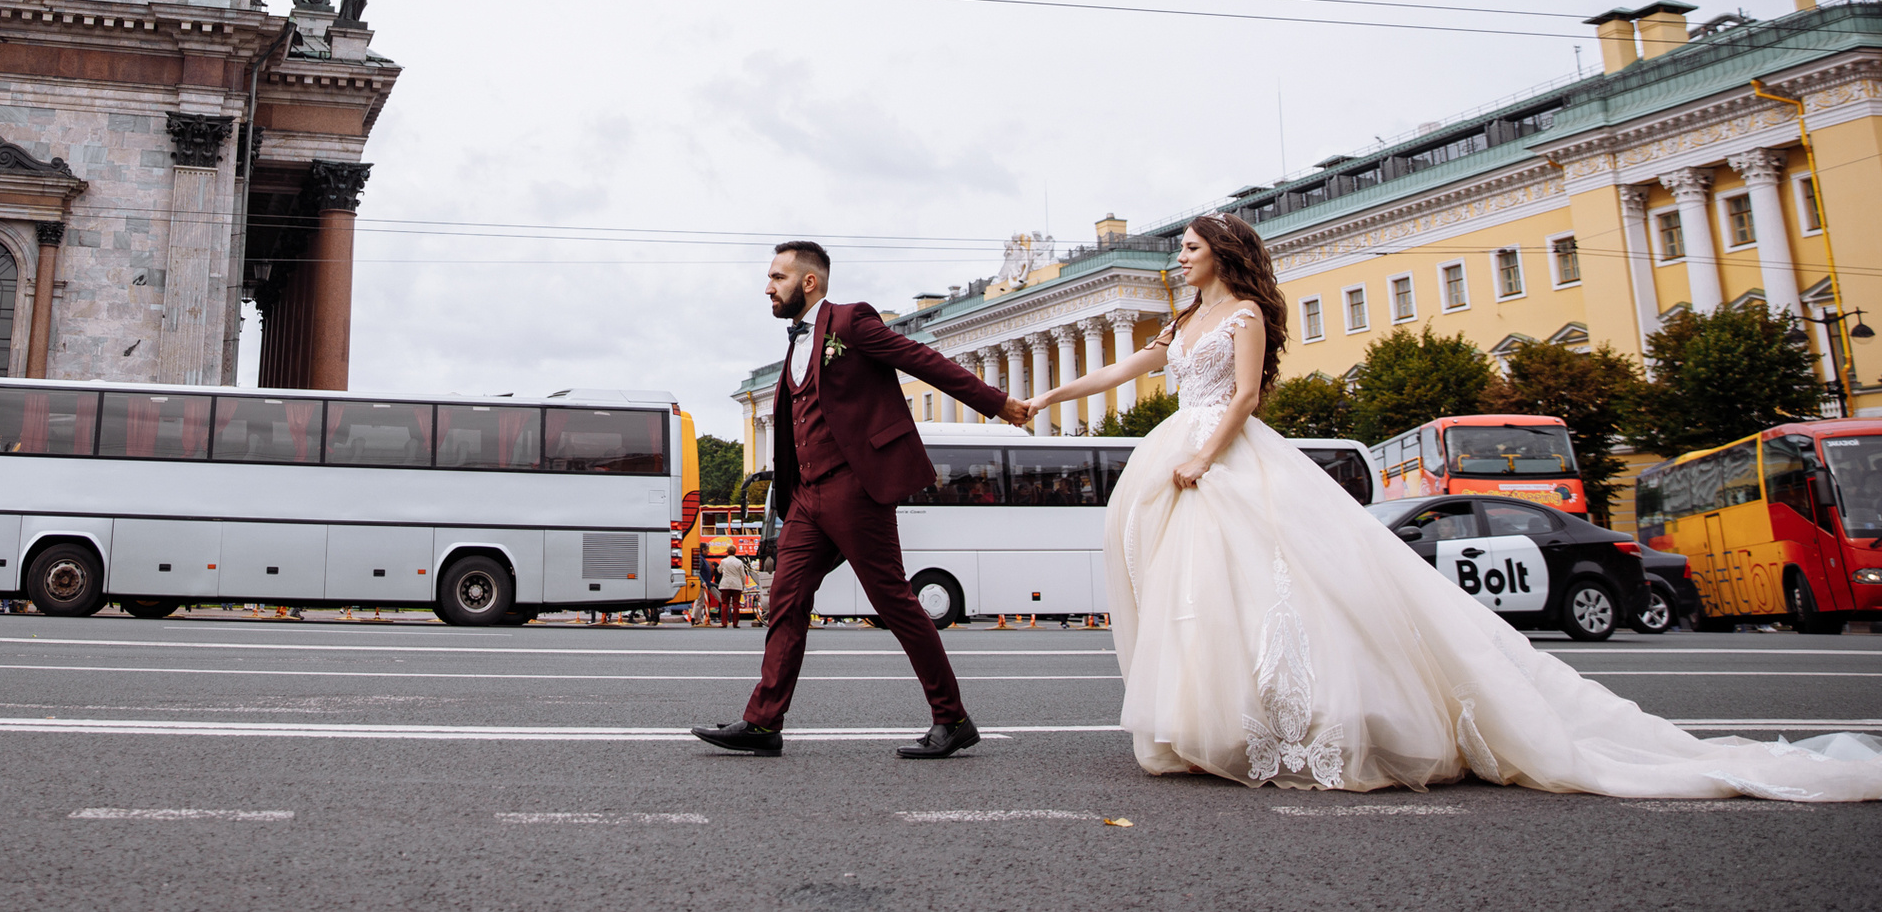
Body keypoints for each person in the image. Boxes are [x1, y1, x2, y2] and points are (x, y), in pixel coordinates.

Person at [1032, 210, 1882, 801]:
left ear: (1222, 251)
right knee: (1202, 599)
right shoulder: (1181, 324)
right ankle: (1215, 725)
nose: (1178, 258)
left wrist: (1199, 458)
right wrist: (1037, 404)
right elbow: (1115, 375)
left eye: (1188, 247)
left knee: (1290, 589)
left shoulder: (1247, 313)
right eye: (1178, 249)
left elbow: (1247, 396)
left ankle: (1288, 723)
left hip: (1223, 453)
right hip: (1181, 452)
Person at [694, 241, 1033, 759]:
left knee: (893, 601)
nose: (767, 287)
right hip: (807, 496)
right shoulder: (794, 345)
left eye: (777, 277)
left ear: (809, 282)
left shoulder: (851, 323)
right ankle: (763, 723)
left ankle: (952, 717)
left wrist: (1000, 403)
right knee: (785, 599)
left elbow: (922, 360)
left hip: (854, 487)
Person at [716, 550, 749, 628]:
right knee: (736, 604)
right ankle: (735, 623)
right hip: (736, 584)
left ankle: (724, 623)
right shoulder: (739, 562)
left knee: (724, 603)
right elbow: (743, 575)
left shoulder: (723, 561)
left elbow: (719, 570)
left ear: (727, 552)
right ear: (735, 552)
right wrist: (743, 584)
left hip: (725, 584)